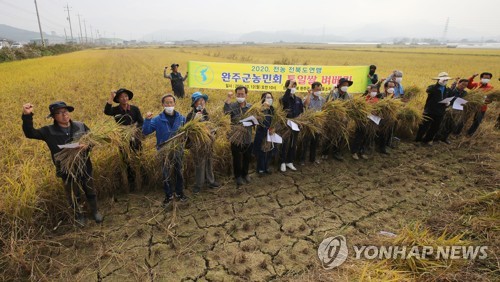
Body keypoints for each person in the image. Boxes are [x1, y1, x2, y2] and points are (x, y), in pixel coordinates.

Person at [22, 101, 103, 226]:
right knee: (73, 194)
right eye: (59, 113)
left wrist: (86, 145)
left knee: (90, 189)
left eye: (65, 111)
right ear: (53, 117)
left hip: (84, 165)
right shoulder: (48, 131)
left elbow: (93, 140)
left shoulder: (80, 126)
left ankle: (95, 211)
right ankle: (79, 215)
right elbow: (30, 133)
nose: (64, 114)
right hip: (65, 169)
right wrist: (27, 115)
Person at [142, 94, 187, 206]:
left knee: (178, 172)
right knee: (165, 173)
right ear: (163, 104)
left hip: (178, 150)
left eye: (171, 102)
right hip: (163, 150)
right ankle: (168, 195)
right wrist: (147, 120)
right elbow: (146, 131)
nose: (169, 105)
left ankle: (179, 193)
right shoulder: (157, 119)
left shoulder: (181, 118)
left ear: (174, 104)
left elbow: (187, 133)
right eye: (166, 103)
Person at [104, 88, 144, 190]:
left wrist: (135, 129)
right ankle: (130, 183)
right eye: (121, 97)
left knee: (138, 157)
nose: (124, 98)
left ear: (128, 97)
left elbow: (141, 122)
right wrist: (111, 98)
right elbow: (107, 111)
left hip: (135, 137)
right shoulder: (116, 110)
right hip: (122, 139)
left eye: (126, 96)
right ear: (118, 99)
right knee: (126, 160)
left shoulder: (135, 109)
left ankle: (142, 181)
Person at [186, 92, 220, 193]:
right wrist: (194, 121)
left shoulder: (205, 113)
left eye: (203, 100)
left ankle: (211, 181)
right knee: (199, 164)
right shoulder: (190, 115)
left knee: (209, 161)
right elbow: (188, 131)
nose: (201, 102)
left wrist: (213, 131)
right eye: (199, 101)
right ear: (194, 103)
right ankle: (198, 184)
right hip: (197, 144)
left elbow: (209, 125)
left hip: (208, 142)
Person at [224, 86, 253, 187]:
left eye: (242, 94)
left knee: (247, 157)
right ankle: (238, 176)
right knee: (236, 158)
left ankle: (245, 174)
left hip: (247, 137)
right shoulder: (232, 106)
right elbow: (225, 113)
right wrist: (228, 98)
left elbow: (255, 121)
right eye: (238, 94)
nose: (240, 96)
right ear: (236, 95)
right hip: (235, 137)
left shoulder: (250, 107)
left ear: (246, 95)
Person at [415, 72, 453, 146]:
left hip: (440, 111)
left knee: (435, 127)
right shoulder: (432, 87)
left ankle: (428, 140)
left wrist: (448, 103)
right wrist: (438, 84)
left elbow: (450, 98)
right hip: (430, 110)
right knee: (424, 126)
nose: (445, 81)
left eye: (446, 80)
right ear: (439, 79)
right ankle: (418, 139)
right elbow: (428, 91)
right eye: (444, 80)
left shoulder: (448, 90)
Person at [323, 77, 353, 161]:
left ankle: (337, 152)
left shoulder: (348, 96)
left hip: (344, 120)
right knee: (330, 135)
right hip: (333, 118)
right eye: (344, 85)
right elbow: (327, 105)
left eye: (347, 85)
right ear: (339, 86)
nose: (346, 87)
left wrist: (345, 116)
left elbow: (350, 107)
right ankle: (325, 152)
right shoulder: (333, 94)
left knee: (341, 136)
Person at [279, 79, 303, 172]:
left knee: (293, 143)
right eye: (291, 86)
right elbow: (284, 100)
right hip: (286, 124)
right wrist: (289, 87)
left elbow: (301, 111)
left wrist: (299, 120)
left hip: (296, 124)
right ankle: (282, 162)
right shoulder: (283, 98)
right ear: (287, 87)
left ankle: (290, 161)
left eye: (294, 86)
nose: (293, 88)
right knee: (285, 144)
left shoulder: (298, 100)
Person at [301, 82, 325, 164]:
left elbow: (323, 110)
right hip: (308, 123)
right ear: (312, 89)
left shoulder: (322, 99)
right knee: (306, 142)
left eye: (320, 89)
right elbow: (305, 105)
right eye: (317, 89)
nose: (319, 91)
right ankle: (302, 159)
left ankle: (312, 159)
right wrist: (308, 94)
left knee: (315, 142)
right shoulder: (307, 98)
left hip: (317, 124)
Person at [439, 79, 468, 144]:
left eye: (465, 85)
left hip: (457, 111)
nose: (463, 86)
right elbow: (445, 98)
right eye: (462, 84)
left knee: (451, 125)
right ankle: (437, 137)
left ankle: (445, 138)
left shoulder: (465, 93)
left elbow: (465, 101)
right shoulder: (451, 90)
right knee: (443, 124)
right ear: (458, 83)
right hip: (448, 109)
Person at [253, 92, 275, 176]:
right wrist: (262, 109)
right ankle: (260, 169)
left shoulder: (272, 109)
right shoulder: (259, 109)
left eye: (270, 97)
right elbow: (256, 120)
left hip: (270, 133)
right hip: (261, 133)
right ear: (263, 100)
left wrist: (273, 128)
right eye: (267, 97)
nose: (269, 99)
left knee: (269, 150)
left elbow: (275, 120)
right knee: (261, 151)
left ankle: (266, 167)